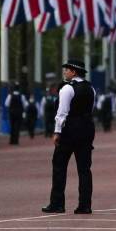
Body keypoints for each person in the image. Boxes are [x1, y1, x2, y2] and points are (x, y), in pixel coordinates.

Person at [42, 60, 96, 214]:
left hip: (70, 130)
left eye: (67, 69)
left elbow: (62, 112)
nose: (64, 72)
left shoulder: (67, 88)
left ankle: (57, 203)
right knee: (84, 169)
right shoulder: (90, 88)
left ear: (73, 72)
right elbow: (91, 108)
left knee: (59, 165)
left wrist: (57, 131)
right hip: (86, 128)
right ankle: (85, 205)